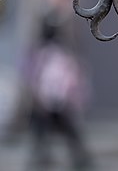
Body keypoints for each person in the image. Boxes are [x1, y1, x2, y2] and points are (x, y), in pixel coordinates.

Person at [25, 22, 93, 170]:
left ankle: (79, 159)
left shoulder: (46, 55)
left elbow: (33, 77)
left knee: (66, 133)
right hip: (52, 102)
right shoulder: (50, 55)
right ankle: (44, 157)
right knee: (49, 133)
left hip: (56, 103)